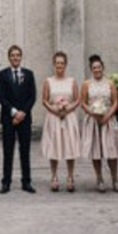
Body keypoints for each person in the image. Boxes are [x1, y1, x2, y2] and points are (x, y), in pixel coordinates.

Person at [80, 54, 118, 192]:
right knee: (96, 151)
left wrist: (108, 115)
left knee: (111, 151)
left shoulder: (110, 83)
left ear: (103, 67)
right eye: (94, 68)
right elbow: (83, 102)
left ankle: (115, 179)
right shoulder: (86, 84)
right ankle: (99, 178)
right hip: (93, 120)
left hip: (108, 119)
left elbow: (116, 101)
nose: (97, 70)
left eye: (99, 67)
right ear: (91, 69)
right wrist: (92, 113)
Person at [0, 44, 36, 193]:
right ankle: (6, 182)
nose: (15, 58)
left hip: (25, 118)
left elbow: (32, 96)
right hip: (8, 118)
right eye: (13, 55)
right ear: (9, 57)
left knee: (25, 151)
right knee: (8, 151)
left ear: (21, 57)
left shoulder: (29, 74)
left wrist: (22, 113)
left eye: (18, 55)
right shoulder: (3, 74)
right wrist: (14, 112)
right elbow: (1, 97)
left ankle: (26, 182)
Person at [40, 51, 81, 192]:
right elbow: (44, 100)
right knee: (54, 147)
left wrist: (67, 109)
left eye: (62, 63)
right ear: (54, 64)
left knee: (69, 147)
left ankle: (70, 177)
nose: (59, 65)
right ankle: (54, 177)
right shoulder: (48, 81)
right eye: (57, 63)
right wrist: (55, 110)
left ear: (66, 64)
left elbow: (77, 100)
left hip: (69, 117)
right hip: (53, 117)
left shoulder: (72, 81)